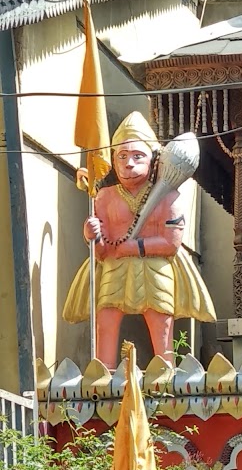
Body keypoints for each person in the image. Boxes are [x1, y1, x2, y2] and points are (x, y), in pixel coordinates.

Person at [63, 112, 215, 367]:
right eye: (121, 157)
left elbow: (171, 244)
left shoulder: (169, 196)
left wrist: (135, 246)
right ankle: (103, 372)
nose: (129, 164)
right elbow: (101, 251)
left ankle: (165, 372)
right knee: (106, 320)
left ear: (155, 159)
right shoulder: (104, 197)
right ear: (112, 160)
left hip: (155, 266)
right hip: (115, 265)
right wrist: (92, 235)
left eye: (137, 156)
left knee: (160, 321)